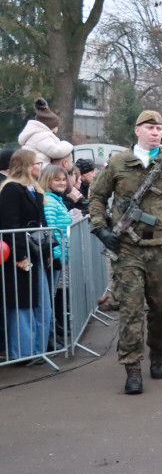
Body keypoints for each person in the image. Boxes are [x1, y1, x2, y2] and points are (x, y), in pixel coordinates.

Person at [88, 110, 162, 394]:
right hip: (128, 248)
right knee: (131, 309)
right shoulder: (117, 163)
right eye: (150, 127)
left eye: (159, 128)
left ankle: (159, 352)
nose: (156, 132)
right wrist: (100, 228)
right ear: (137, 130)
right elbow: (97, 197)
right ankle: (132, 367)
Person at [1, 149, 54, 361]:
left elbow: (43, 223)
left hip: (37, 254)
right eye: (36, 163)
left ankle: (39, 349)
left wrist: (48, 250)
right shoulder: (11, 190)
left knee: (42, 303)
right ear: (26, 166)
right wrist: (19, 255)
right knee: (23, 305)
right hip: (20, 258)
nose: (39, 167)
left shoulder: (35, 190)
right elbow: (10, 224)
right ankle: (24, 352)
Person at [39, 164, 74, 347]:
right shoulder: (50, 202)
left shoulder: (56, 199)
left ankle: (53, 334)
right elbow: (50, 231)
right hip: (55, 257)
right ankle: (50, 337)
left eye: (63, 179)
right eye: (57, 179)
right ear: (47, 180)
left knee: (53, 297)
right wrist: (52, 255)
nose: (62, 182)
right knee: (50, 298)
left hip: (61, 256)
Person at [17, 99, 73, 165]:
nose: (57, 128)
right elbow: (56, 151)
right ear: (51, 126)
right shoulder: (41, 136)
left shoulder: (35, 134)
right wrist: (68, 145)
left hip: (33, 165)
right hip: (41, 168)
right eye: (56, 126)